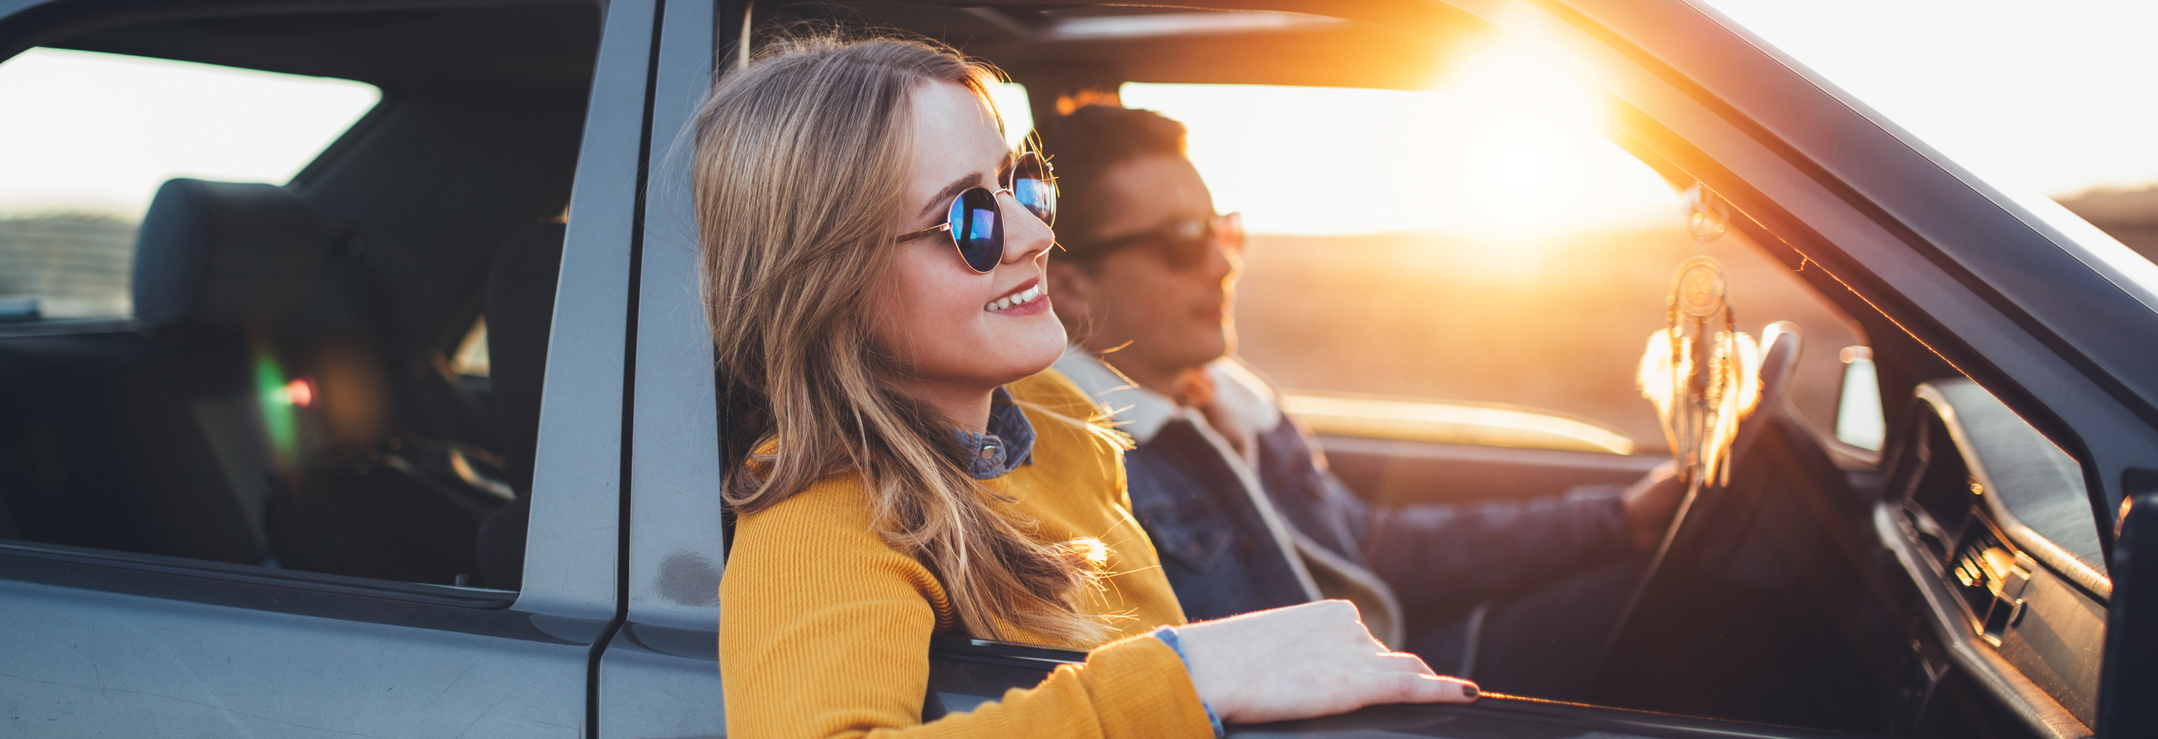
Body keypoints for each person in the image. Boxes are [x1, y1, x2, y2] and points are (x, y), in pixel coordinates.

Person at [697, 37, 1480, 739]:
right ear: (830, 280)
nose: (1037, 236)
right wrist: (1187, 678)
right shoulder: (820, 520)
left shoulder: (1060, 417)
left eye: (1019, 185)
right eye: (971, 218)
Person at [1039, 105, 1684, 699]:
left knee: (1653, 594)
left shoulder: (1227, 397)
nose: (1221, 264)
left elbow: (1367, 548)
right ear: (1069, 286)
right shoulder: (1084, 461)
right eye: (1181, 241)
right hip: (1345, 712)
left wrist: (1617, 521)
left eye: (1224, 230)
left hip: (1386, 665)